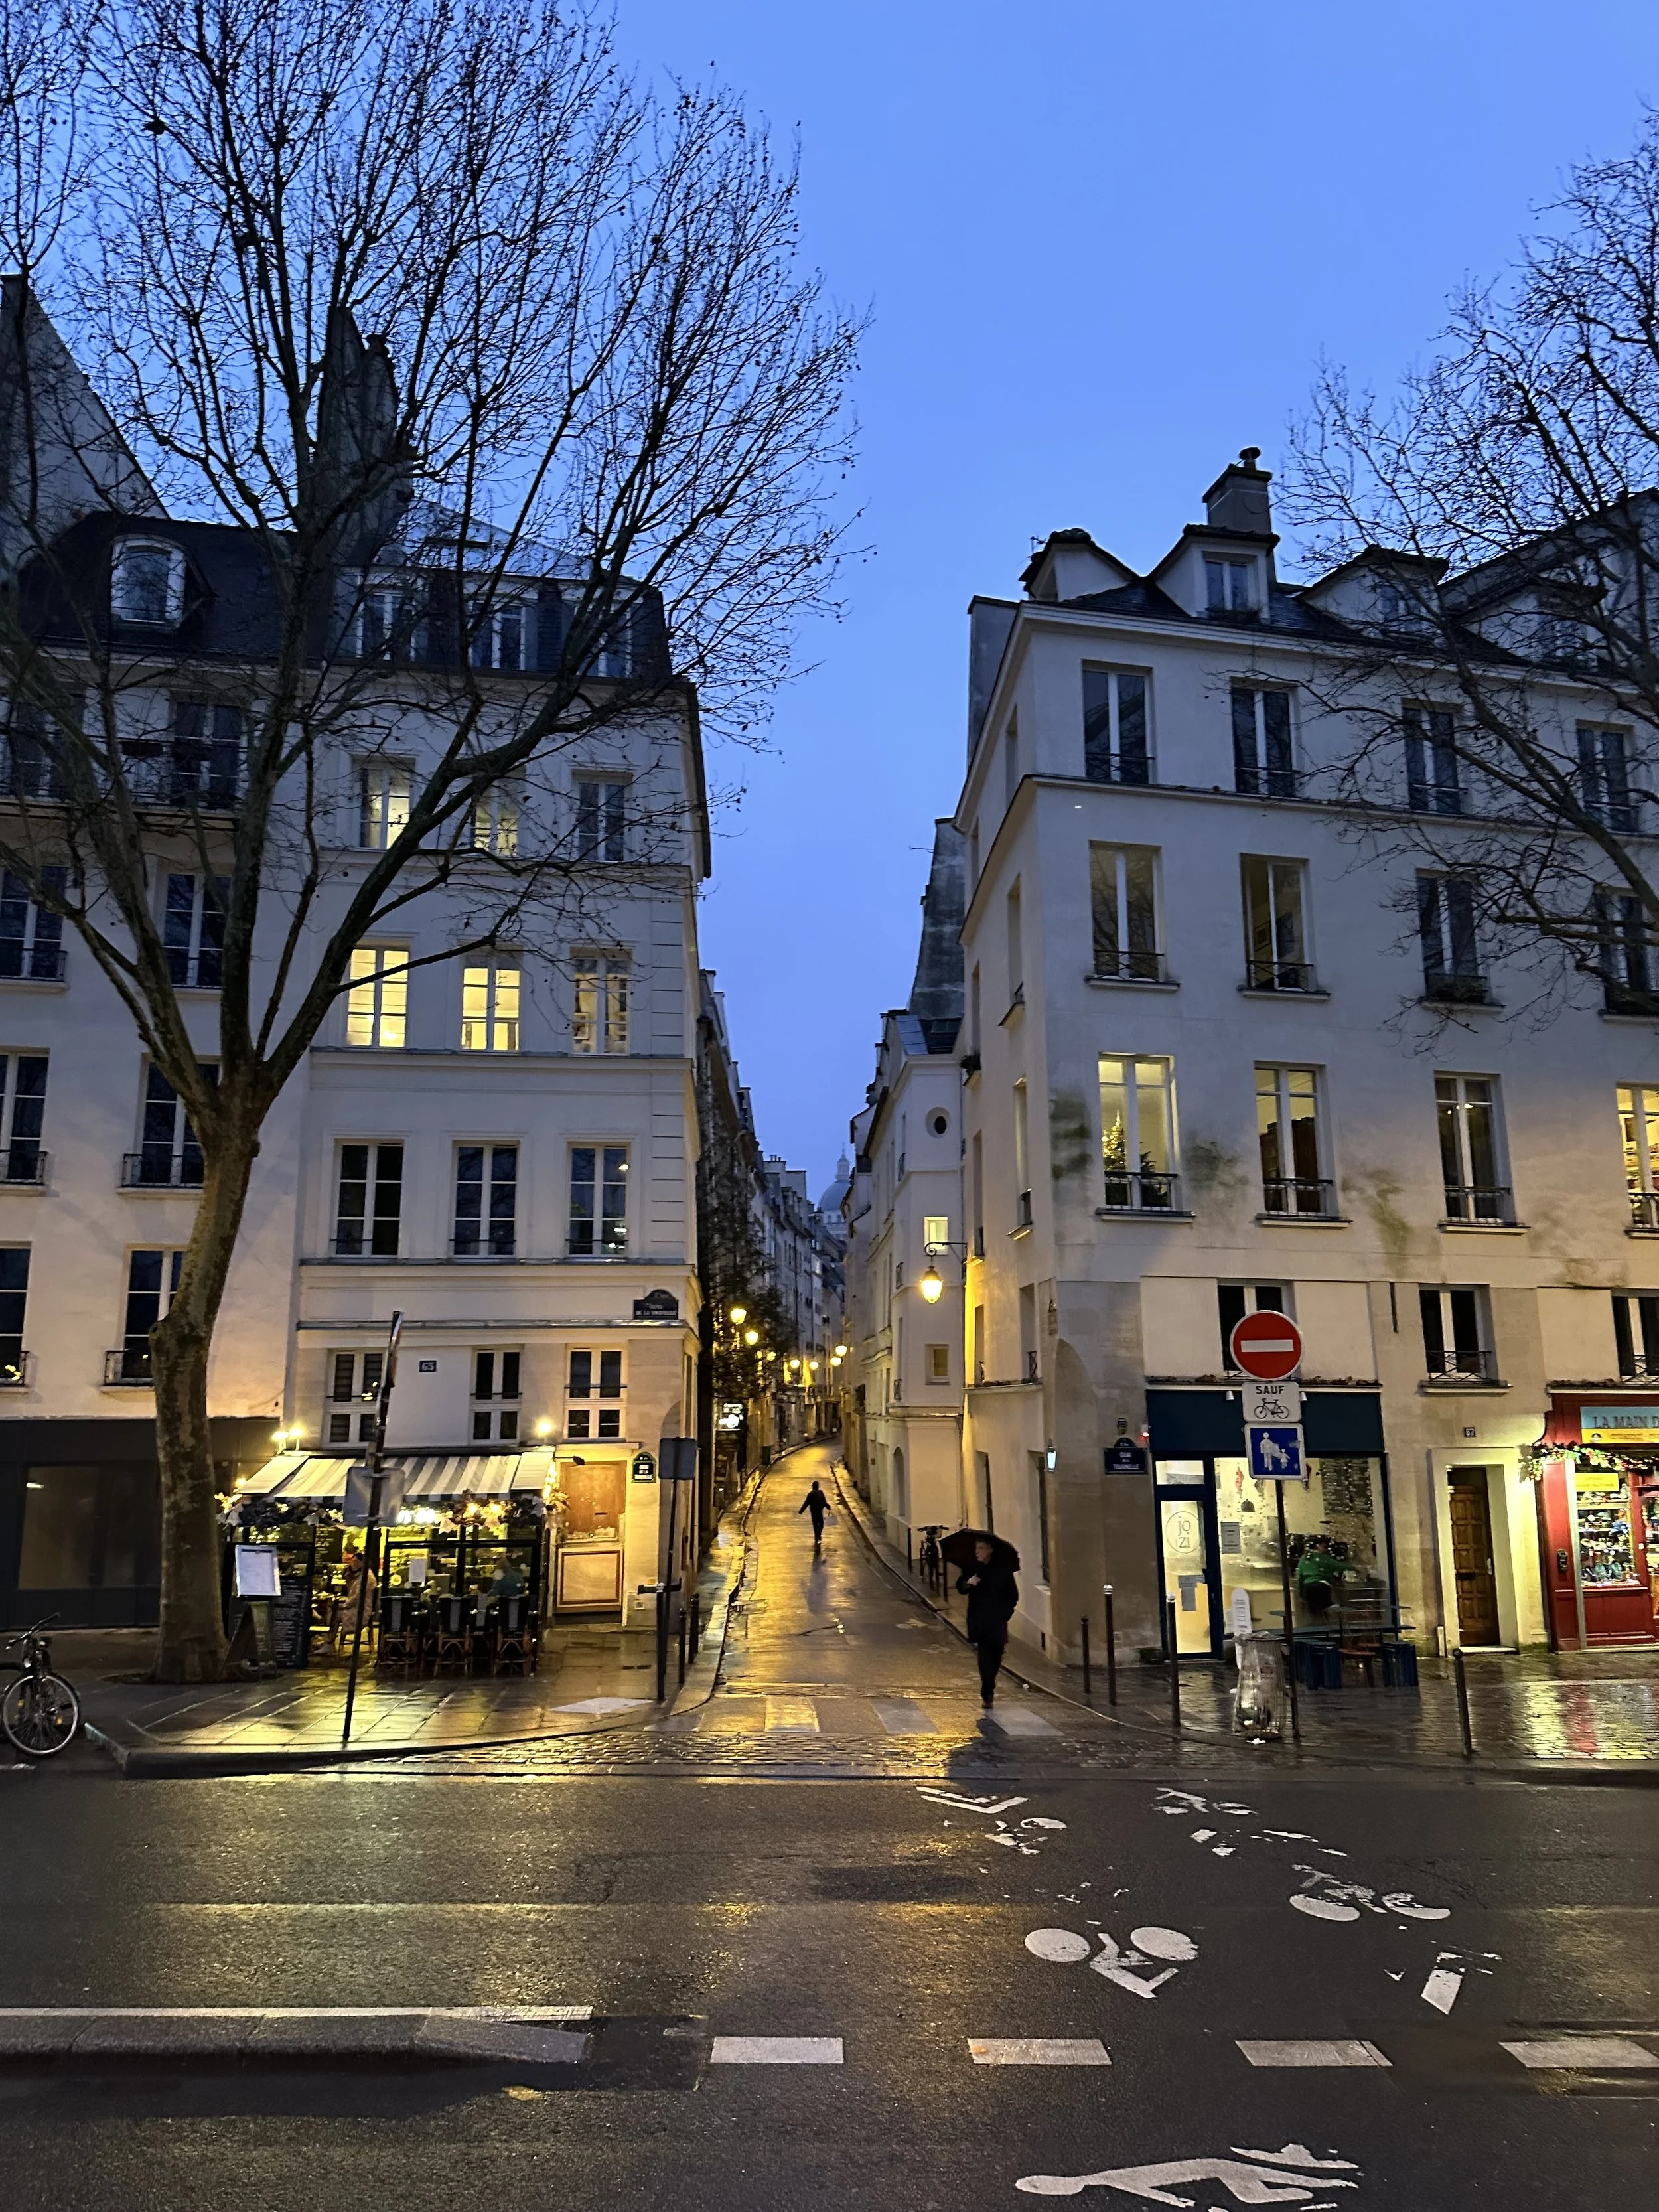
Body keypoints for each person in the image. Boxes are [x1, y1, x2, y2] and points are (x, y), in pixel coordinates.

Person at [958, 1537, 1018, 1706]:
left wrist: (1005, 1614)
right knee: (984, 1655)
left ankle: (989, 1683)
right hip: (979, 1620)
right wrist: (969, 1583)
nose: (977, 1552)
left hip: (997, 1621)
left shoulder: (1003, 1571)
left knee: (997, 1654)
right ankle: (987, 1692)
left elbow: (1013, 1596)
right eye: (977, 1548)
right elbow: (961, 1587)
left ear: (990, 1551)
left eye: (981, 1548)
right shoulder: (972, 1568)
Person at [798, 1480, 831, 1546]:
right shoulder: (821, 1493)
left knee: (815, 1524)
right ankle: (818, 1534)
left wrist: (801, 1511)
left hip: (813, 1511)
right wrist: (828, 1506)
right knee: (821, 1523)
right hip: (819, 1511)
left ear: (812, 1487)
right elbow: (824, 1501)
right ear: (818, 1487)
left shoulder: (810, 1494)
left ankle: (817, 1536)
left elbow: (806, 1503)